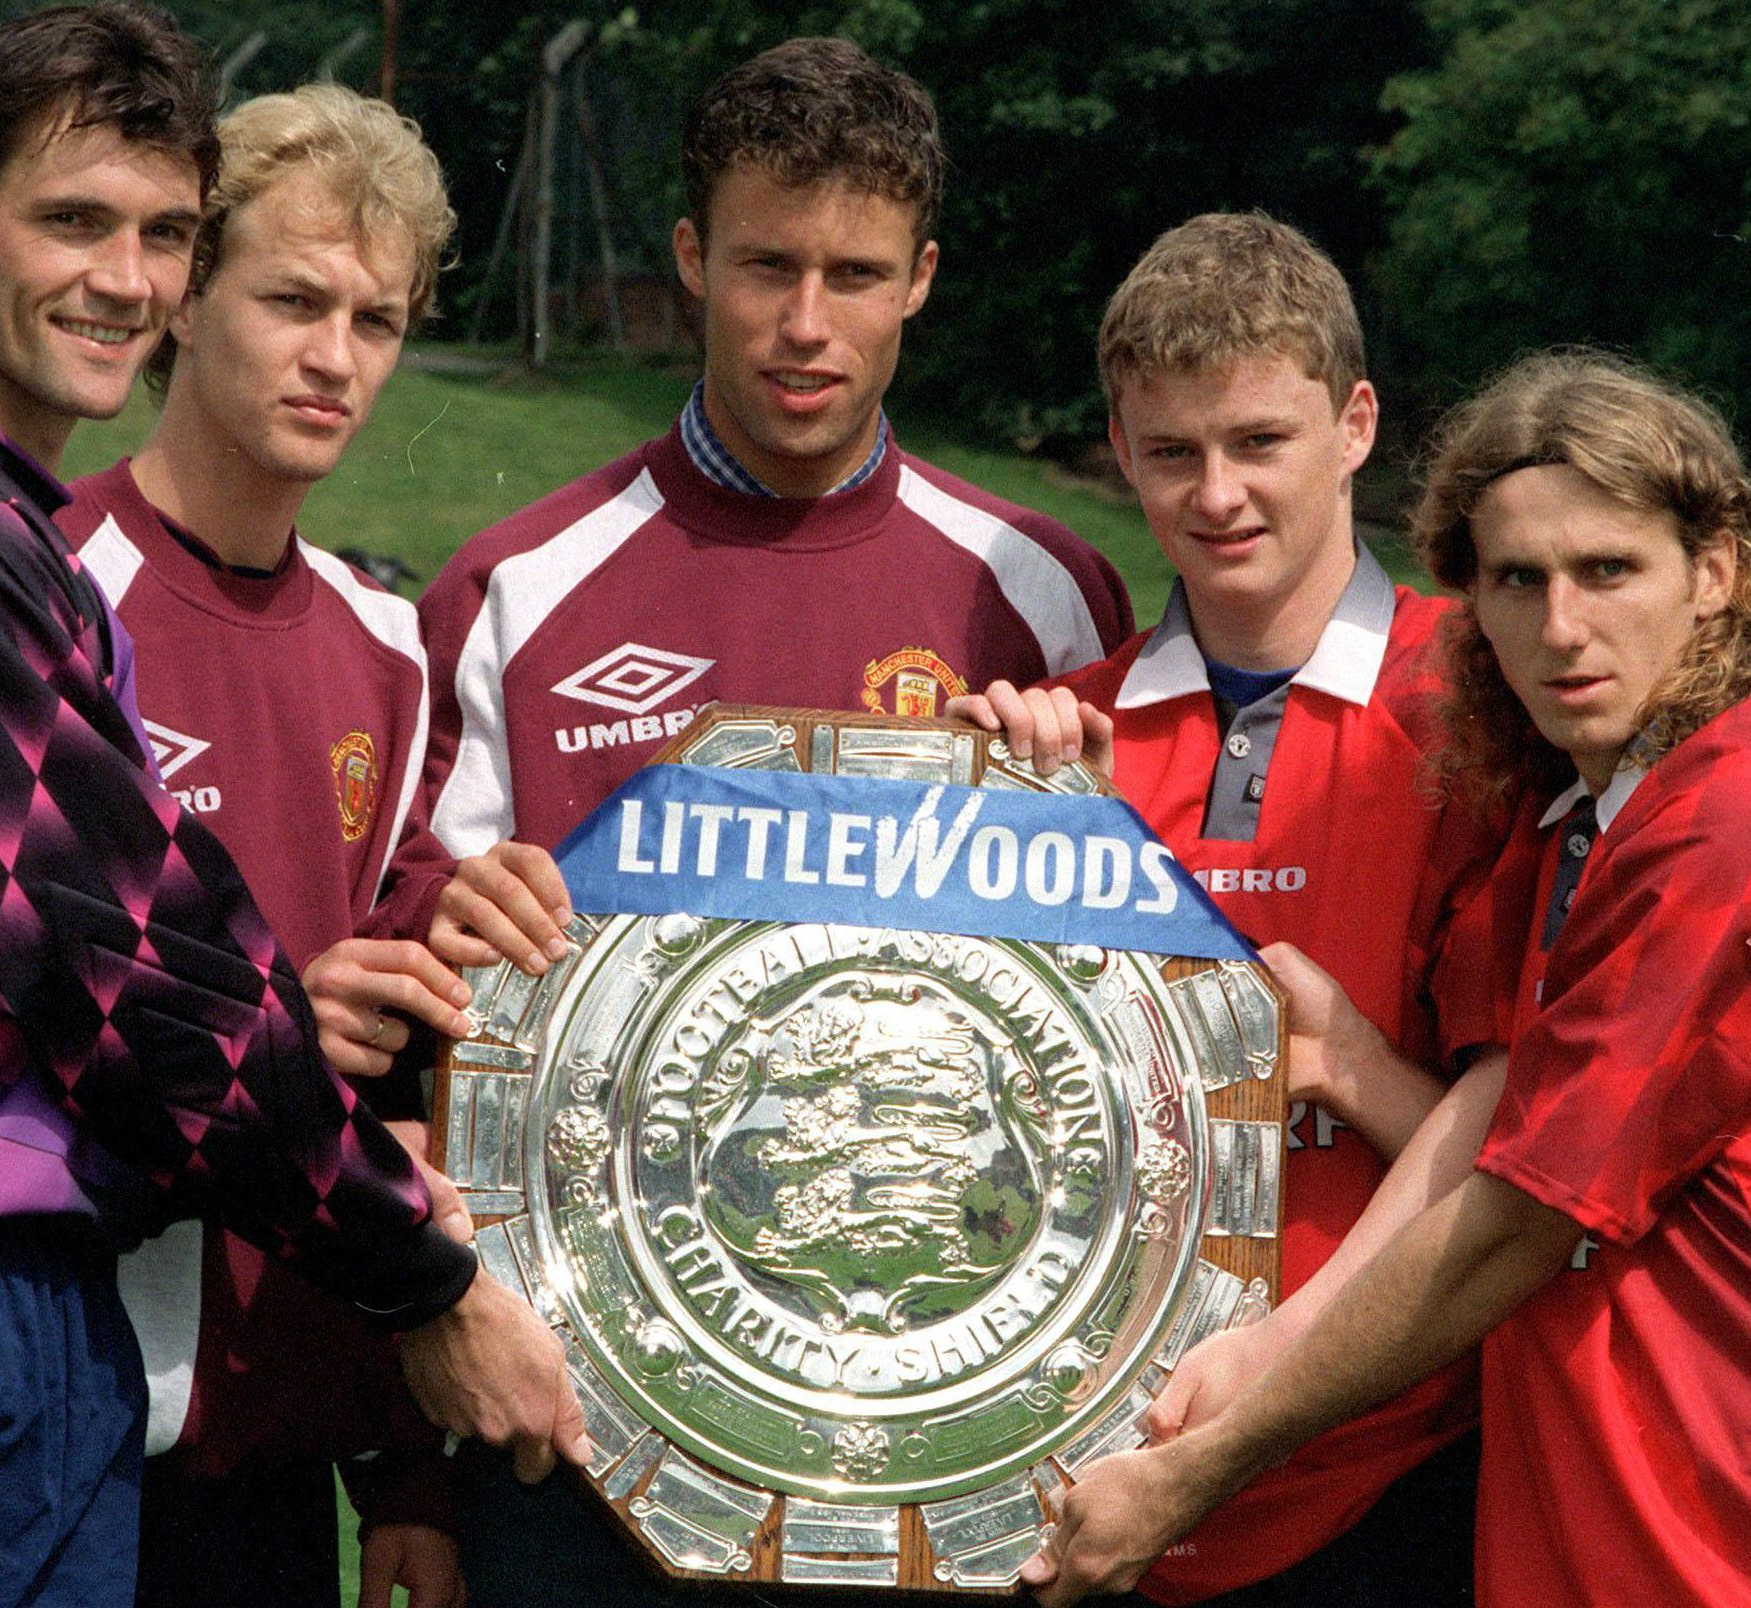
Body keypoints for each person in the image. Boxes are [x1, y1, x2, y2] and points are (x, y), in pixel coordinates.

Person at [0, 13, 573, 1607]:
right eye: (71, 222)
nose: (123, 279)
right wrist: (428, 1282)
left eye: (161, 234)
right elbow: (148, 994)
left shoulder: (3, 530)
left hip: (38, 1307)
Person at [1027, 349, 1751, 1607]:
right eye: (1516, 579)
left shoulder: (1745, 818)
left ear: (1714, 572)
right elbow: (1514, 1131)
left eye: (1607, 570)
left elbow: (1514, 1220)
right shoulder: (1582, 817)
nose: (1560, 628)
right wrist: (1337, 1109)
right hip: (1635, 1529)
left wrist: (1205, 1467)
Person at [405, 35, 1130, 1608]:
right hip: (590, 1453)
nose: (807, 324)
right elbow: (421, 1029)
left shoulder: (1046, 594)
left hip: (940, 1451)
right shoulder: (514, 592)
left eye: (856, 273)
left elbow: (1119, 1038)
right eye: (765, 266)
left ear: (922, 278)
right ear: (689, 258)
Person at [954, 213, 1503, 1605]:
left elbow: (1534, 1126)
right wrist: (978, 839)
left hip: (1385, 1473)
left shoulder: (1485, 713)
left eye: (1257, 441)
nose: (1214, 494)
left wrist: (1350, 1067)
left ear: (1355, 424)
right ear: (1118, 446)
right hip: (1089, 1484)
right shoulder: (1057, 746)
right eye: (1170, 451)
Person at [47, 83, 528, 1608]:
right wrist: (258, 1027)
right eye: (293, 300)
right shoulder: (50, 585)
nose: (333, 358)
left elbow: (381, 1081)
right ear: (187, 296)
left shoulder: (388, 647)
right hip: (61, 1406)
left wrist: (399, 1469)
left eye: (375, 321)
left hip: (272, 1453)